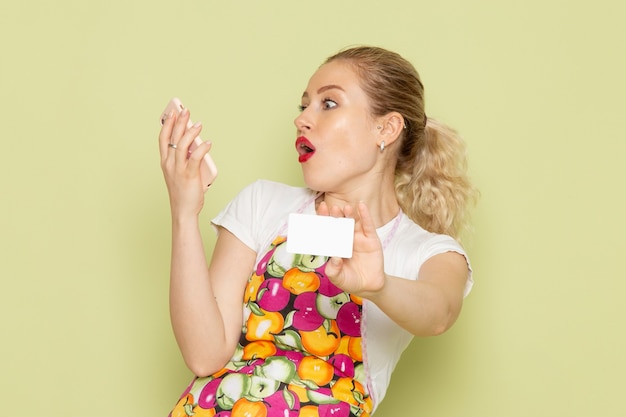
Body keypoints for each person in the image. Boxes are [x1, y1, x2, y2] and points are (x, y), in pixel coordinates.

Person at [159, 46, 477, 417]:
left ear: (386, 128)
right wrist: (184, 212)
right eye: (304, 106)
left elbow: (439, 312)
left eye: (328, 104)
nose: (303, 120)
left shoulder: (428, 251)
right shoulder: (263, 203)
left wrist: (378, 286)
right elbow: (203, 354)